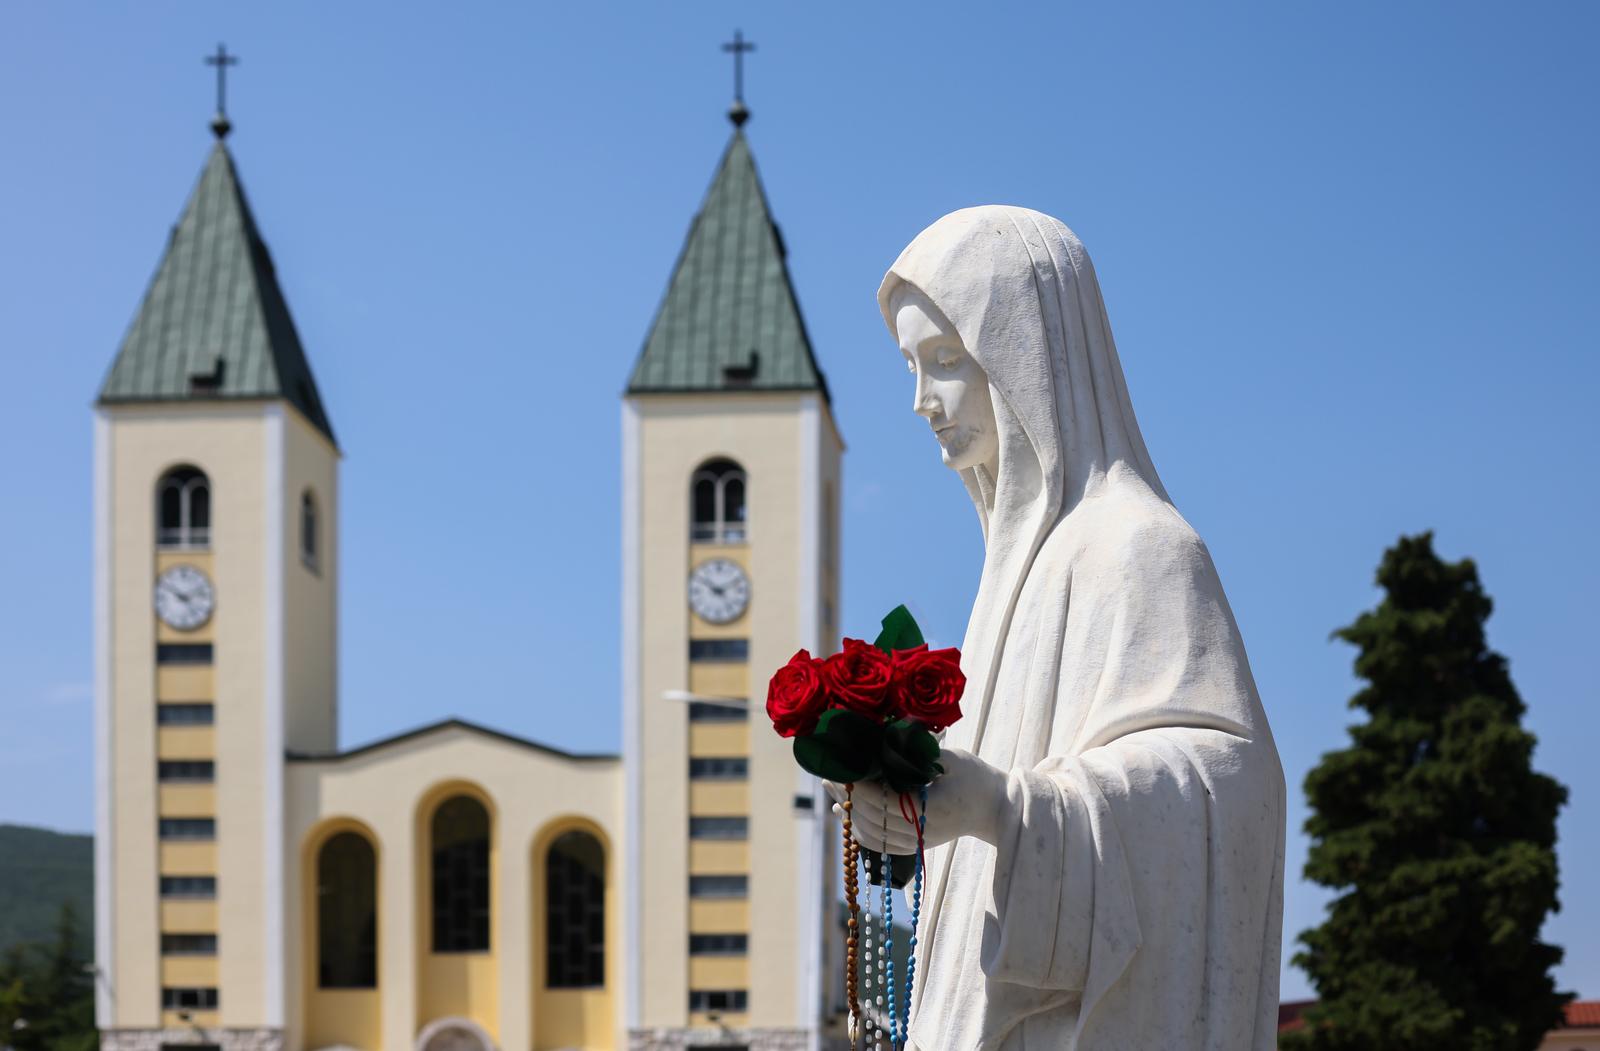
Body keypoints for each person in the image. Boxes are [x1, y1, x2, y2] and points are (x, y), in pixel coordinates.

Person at [827, 206, 1285, 1049]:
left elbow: (1231, 786)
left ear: (1026, 360)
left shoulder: (1140, 546)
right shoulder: (1016, 578)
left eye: (945, 361)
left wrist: (1005, 805)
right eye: (911, 365)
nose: (922, 400)